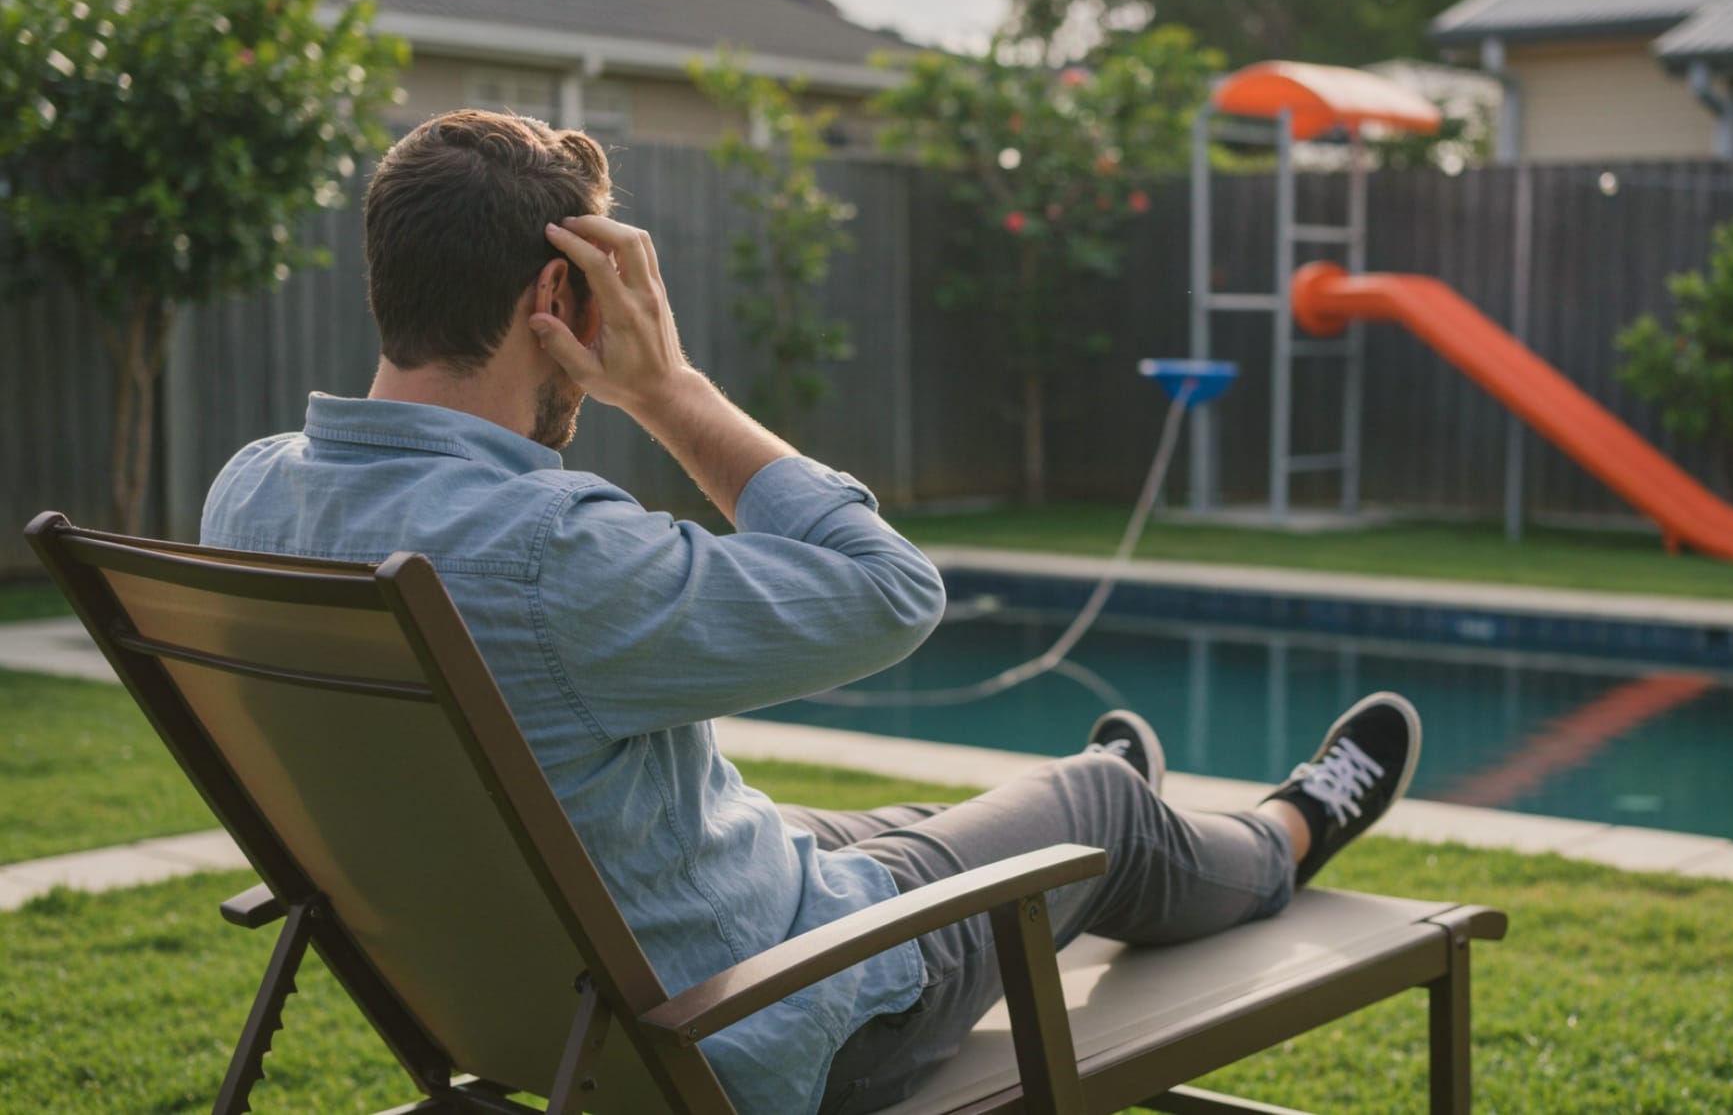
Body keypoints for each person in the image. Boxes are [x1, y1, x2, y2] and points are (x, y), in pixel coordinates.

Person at [200, 110, 1421, 1115]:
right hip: (744, 1032)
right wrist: (668, 390)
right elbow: (891, 590)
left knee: (881, 824)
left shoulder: (250, 492)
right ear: (558, 301)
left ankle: (1099, 836)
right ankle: (1279, 829)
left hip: (533, 992)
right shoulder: (548, 554)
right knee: (1092, 814)